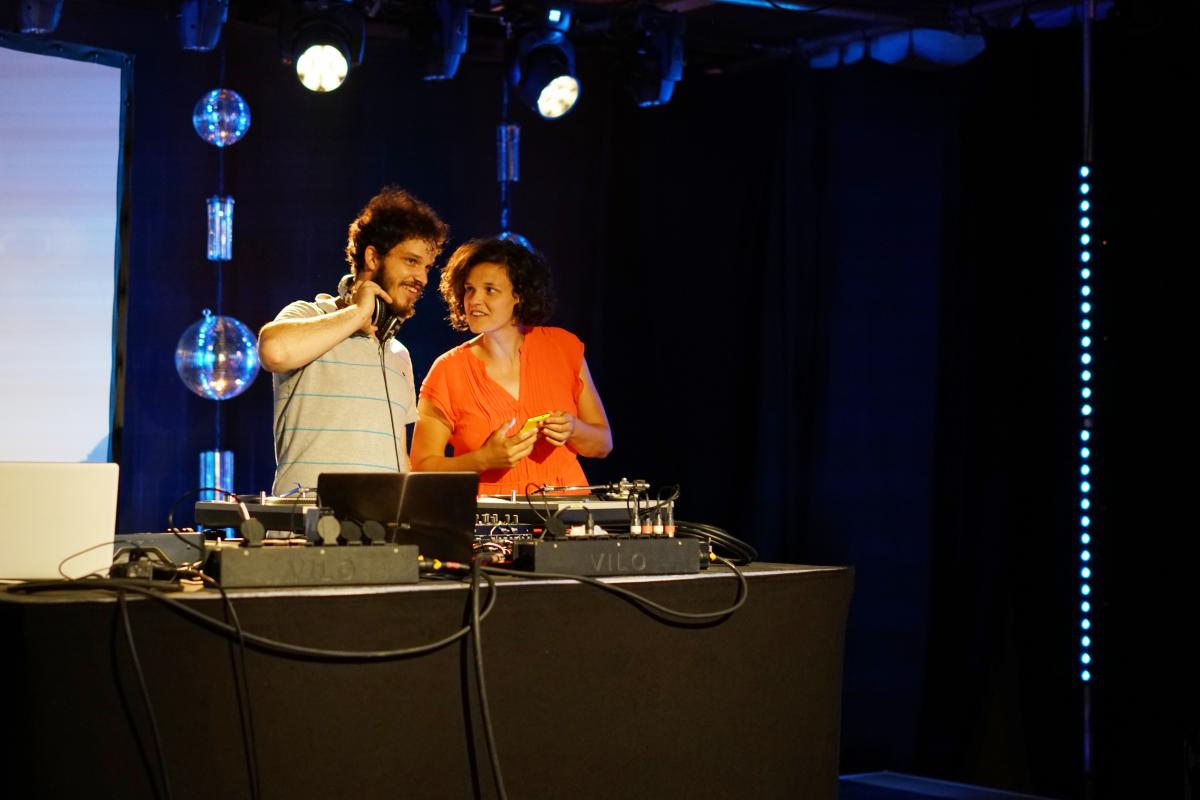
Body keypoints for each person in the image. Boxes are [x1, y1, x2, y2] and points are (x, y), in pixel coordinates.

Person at [258, 187, 448, 495]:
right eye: (411, 261)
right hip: (309, 520)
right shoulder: (308, 314)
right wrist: (358, 313)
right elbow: (273, 351)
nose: (422, 278)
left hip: (382, 522)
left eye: (426, 267)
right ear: (373, 257)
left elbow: (399, 459)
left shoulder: (398, 352)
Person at [410, 237, 612, 495]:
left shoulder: (563, 347)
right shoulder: (448, 370)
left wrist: (573, 428)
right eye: (469, 289)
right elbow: (421, 468)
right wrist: (482, 459)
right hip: (488, 515)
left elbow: (603, 444)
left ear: (519, 295)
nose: (474, 300)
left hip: (568, 510)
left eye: (490, 290)